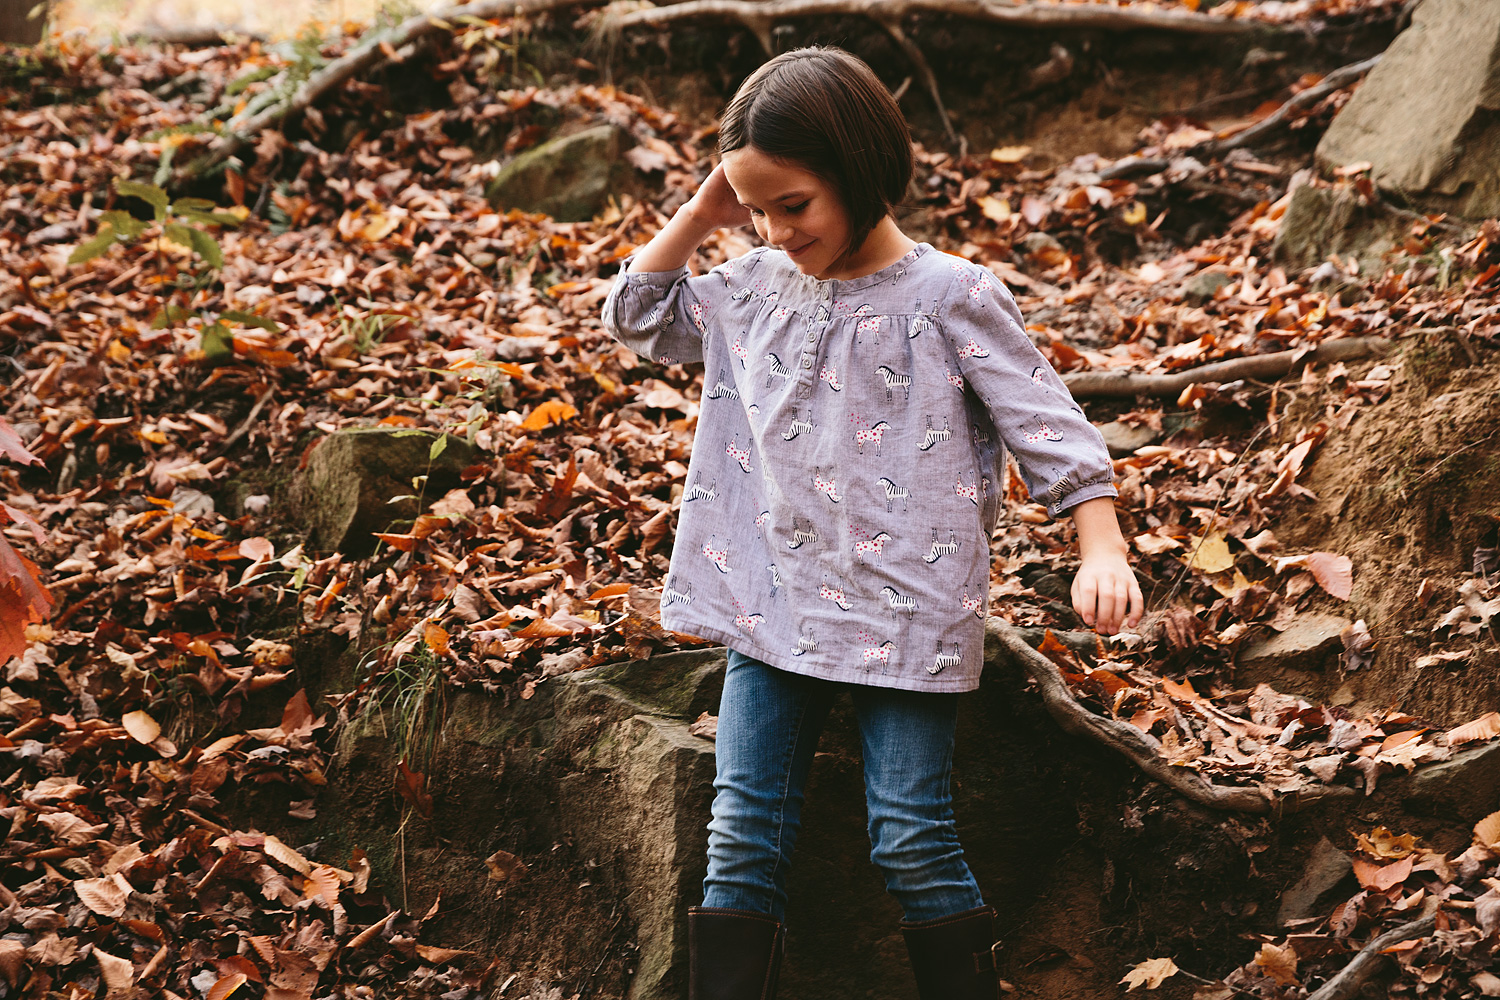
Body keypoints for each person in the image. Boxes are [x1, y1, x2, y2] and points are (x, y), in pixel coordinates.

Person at [601, 46, 1143, 1000]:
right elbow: (638, 316)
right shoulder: (754, 288)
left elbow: (1049, 426)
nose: (775, 228)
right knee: (742, 834)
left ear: (858, 170)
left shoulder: (951, 298)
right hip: (772, 604)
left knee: (909, 834)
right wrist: (701, 212)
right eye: (757, 207)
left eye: (794, 204)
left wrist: (1100, 543)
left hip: (908, 614)